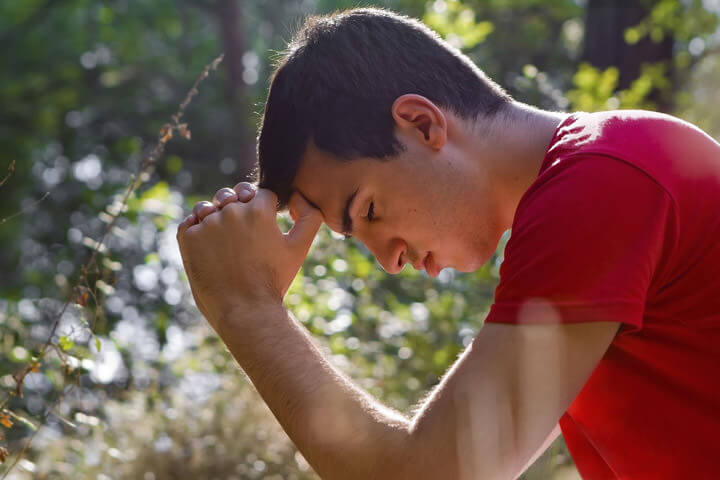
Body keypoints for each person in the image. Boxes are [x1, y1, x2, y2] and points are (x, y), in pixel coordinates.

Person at [176, 7, 720, 480]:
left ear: (420, 123)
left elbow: (428, 473)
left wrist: (247, 309)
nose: (389, 260)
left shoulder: (603, 180)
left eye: (368, 210)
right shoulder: (599, 178)